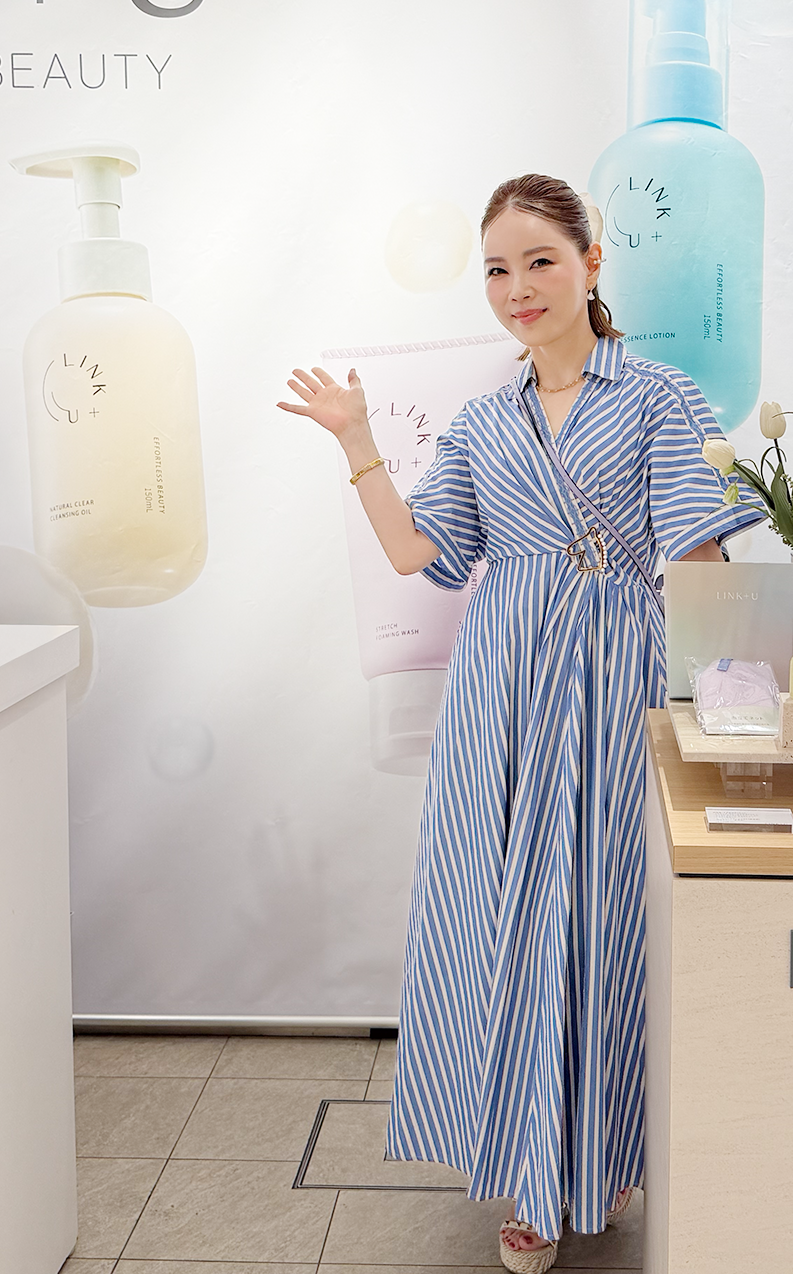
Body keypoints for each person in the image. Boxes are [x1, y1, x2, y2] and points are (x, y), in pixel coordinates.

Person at [280, 174, 763, 1272]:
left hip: (617, 675)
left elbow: (699, 561)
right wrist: (356, 440)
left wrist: (732, 706)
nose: (517, 288)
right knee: (503, 917)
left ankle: (606, 1146)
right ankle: (537, 1174)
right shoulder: (482, 420)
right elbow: (419, 553)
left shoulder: (660, 396)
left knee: (607, 917)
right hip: (498, 688)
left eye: (540, 260)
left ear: (591, 264)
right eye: (497, 269)